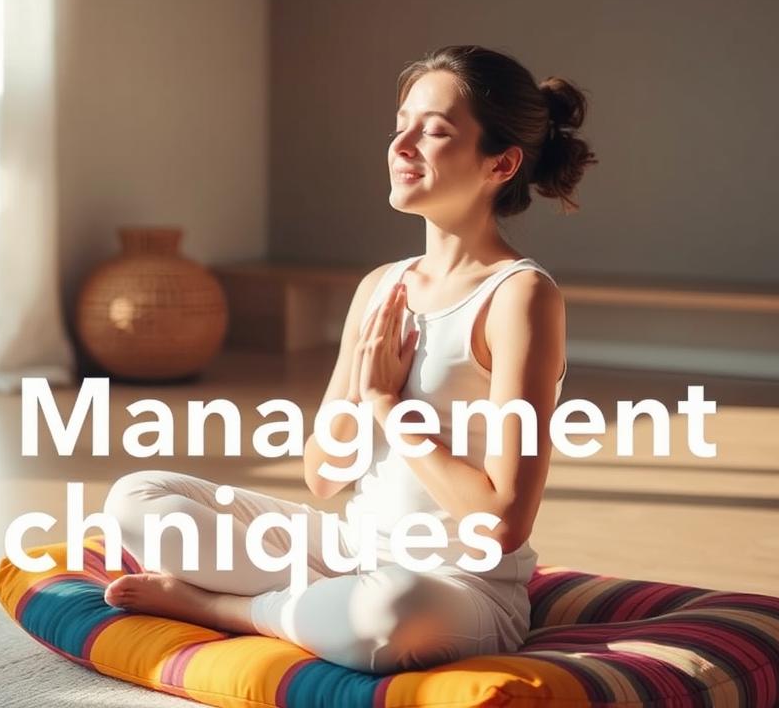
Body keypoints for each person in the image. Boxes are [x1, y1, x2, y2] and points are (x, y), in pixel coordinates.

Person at [100, 44, 596, 674]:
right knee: (136, 498)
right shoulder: (380, 287)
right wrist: (360, 400)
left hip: (454, 586)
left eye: (434, 131)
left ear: (501, 163)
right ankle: (309, 606)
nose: (403, 145)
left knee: (394, 613)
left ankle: (228, 610)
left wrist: (389, 407)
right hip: (346, 552)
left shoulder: (519, 296)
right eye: (400, 127)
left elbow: (501, 524)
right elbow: (324, 477)